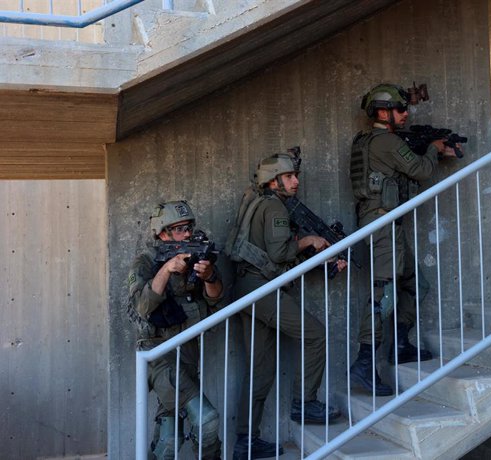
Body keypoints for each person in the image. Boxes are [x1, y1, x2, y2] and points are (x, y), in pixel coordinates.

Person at [349, 83, 461, 395]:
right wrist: (434, 149)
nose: (405, 113)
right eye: (399, 109)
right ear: (382, 112)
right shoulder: (384, 141)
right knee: (383, 296)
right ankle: (364, 364)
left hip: (387, 223)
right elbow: (420, 170)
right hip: (381, 224)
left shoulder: (372, 140)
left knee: (415, 285)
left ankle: (400, 345)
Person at [229, 151, 342, 460]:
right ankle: (304, 403)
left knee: (260, 370)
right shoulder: (274, 207)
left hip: (248, 288)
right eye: (290, 176)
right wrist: (310, 241)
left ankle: (245, 442)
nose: (296, 181)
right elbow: (280, 253)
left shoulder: (258, 203)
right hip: (262, 290)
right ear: (273, 181)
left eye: (296, 176)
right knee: (315, 334)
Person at [127, 200, 224, 459]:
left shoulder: (196, 258)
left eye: (189, 227)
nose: (187, 234)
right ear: (162, 234)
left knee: (169, 439)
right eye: (179, 229)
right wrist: (167, 269)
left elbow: (215, 301)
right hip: (159, 357)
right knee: (207, 421)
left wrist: (209, 276)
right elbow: (142, 306)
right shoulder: (146, 262)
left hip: (188, 355)